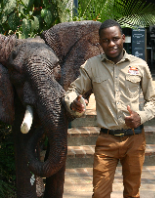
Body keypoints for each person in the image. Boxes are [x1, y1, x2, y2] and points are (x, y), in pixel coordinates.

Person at [63, 19, 155, 198]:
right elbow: (73, 91)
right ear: (100, 42)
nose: (111, 44)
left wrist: (141, 116)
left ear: (122, 38)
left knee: (132, 193)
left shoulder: (140, 66)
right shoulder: (92, 66)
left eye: (115, 39)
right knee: (99, 194)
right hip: (106, 141)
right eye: (106, 40)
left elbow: (153, 100)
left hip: (135, 140)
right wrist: (74, 102)